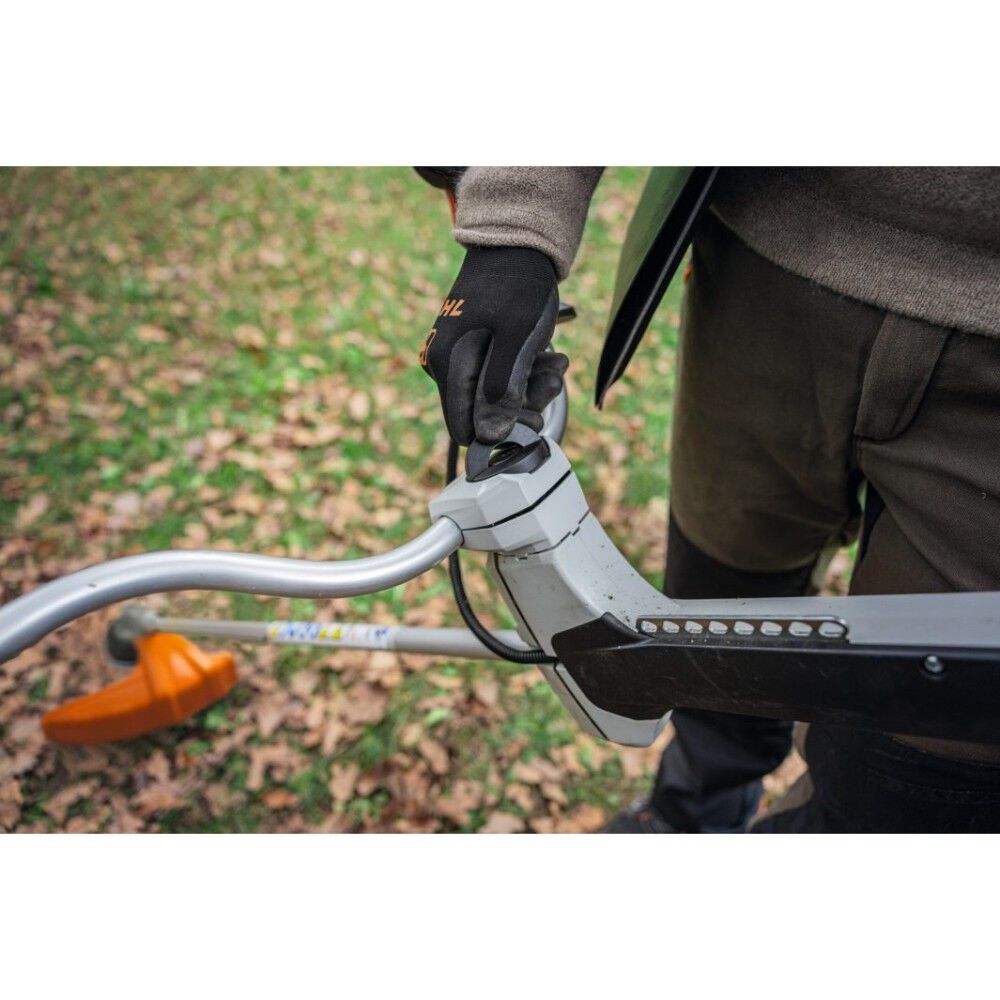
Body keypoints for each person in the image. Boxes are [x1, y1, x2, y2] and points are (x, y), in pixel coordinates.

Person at [420, 167, 1000, 833]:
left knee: (915, 780)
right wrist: (514, 230)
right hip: (764, 267)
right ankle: (690, 813)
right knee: (705, 618)